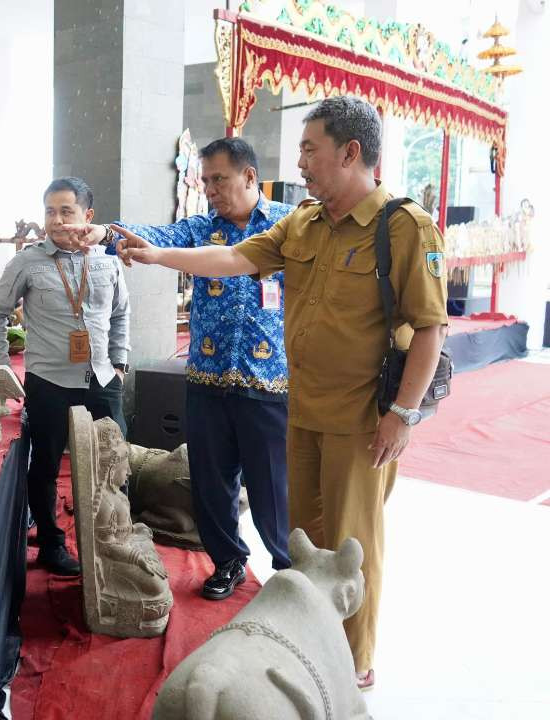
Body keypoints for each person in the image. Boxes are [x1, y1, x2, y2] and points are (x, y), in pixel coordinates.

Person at [80, 97, 448, 690]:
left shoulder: (403, 227)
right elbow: (230, 257)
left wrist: (402, 413)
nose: (300, 161)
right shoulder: (301, 223)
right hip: (301, 410)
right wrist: (154, 255)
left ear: (351, 153)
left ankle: (352, 660)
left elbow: (430, 327)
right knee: (304, 538)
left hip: (359, 420)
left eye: (310, 149)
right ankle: (308, 637)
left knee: (352, 543)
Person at [66, 137, 294, 600]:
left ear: (249, 177)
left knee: (273, 485)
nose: (209, 188)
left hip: (267, 383)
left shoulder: (288, 227)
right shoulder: (200, 228)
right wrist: (105, 233)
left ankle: (288, 570)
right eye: (205, 180)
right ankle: (228, 560)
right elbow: (155, 237)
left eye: (219, 179)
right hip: (207, 378)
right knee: (211, 481)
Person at [0, 176, 130, 576]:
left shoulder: (108, 260)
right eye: (50, 211)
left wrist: (119, 365)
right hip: (48, 382)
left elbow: (120, 315)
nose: (56, 219)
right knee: (45, 466)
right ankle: (51, 544)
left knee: (113, 461)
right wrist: (2, 366)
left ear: (88, 215)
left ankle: (112, 543)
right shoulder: (27, 262)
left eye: (66, 211)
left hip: (102, 380)